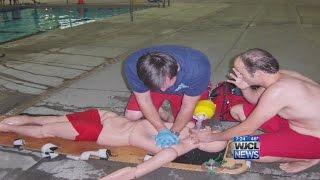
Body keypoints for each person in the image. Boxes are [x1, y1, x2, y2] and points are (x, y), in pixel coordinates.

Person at [191, 48, 320, 173]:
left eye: (241, 72)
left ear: (258, 73)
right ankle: (289, 146)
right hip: (296, 123)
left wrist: (211, 137)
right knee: (237, 110)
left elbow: (246, 129)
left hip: (313, 138)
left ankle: (309, 157)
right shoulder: (278, 76)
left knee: (238, 149)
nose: (237, 74)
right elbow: (254, 99)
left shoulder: (278, 91)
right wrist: (245, 87)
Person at [0, 109, 226, 179]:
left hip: (98, 128)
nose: (208, 131)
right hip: (104, 117)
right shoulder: (186, 127)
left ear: (198, 147)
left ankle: (8, 126)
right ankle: (8, 124)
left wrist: (134, 172)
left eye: (208, 138)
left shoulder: (174, 144)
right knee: (45, 123)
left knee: (44, 129)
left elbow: (164, 156)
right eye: (213, 132)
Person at [124, 45, 211, 148]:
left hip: (186, 89)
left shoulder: (198, 68)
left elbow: (188, 107)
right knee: (132, 116)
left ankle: (163, 114)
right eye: (160, 87)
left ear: (177, 69)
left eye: (167, 84)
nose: (163, 90)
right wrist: (161, 129)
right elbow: (144, 100)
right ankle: (160, 112)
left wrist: (174, 133)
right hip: (153, 85)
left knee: (191, 126)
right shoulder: (132, 66)